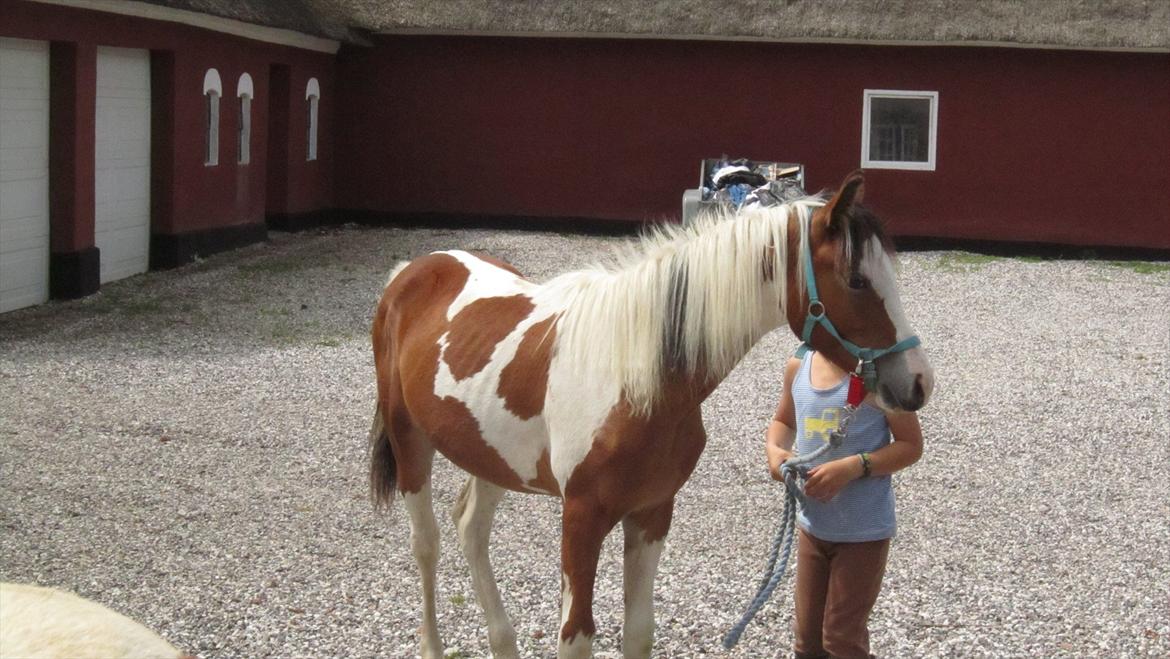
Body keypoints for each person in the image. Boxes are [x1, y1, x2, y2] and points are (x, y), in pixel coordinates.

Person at [764, 350, 924, 659]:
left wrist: (856, 466)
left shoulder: (879, 376)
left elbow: (911, 445)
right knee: (807, 644)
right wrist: (776, 451)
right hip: (813, 527)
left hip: (863, 533)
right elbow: (783, 420)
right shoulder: (799, 365)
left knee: (841, 640)